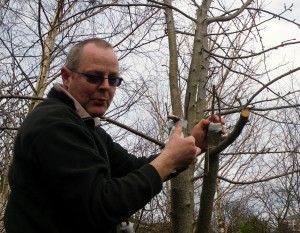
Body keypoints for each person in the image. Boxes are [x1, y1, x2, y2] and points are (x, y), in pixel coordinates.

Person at [4, 38, 224, 233]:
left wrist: (193, 144)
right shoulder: (54, 124)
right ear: (66, 77)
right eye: (94, 77)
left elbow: (133, 167)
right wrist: (168, 160)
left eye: (113, 80)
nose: (105, 87)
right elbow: (100, 205)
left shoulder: (89, 128)